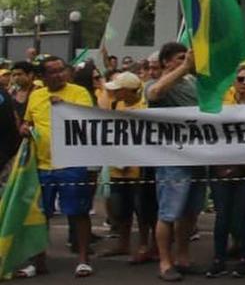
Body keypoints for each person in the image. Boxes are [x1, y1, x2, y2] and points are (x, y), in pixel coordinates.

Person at [17, 55, 95, 278]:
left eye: (62, 70)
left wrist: (67, 107)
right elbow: (28, 122)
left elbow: (89, 118)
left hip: (71, 163)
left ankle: (82, 259)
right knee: (41, 215)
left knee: (78, 212)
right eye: (53, 71)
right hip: (41, 165)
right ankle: (38, 261)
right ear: (42, 76)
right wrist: (24, 128)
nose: (60, 74)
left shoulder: (78, 92)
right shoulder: (36, 95)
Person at [147, 42, 206, 282]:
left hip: (199, 155)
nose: (186, 61)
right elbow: (154, 94)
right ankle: (164, 261)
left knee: (191, 211)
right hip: (172, 158)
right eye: (180, 58)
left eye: (187, 57)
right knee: (169, 212)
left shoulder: (192, 83)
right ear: (166, 62)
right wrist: (184, 68)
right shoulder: (156, 84)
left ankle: (183, 257)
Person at [205, 64, 245, 278]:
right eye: (241, 79)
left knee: (243, 215)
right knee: (222, 216)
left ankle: (244, 259)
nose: (244, 84)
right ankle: (218, 259)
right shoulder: (221, 106)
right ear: (234, 81)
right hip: (221, 170)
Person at [103, 72, 157, 265]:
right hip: (117, 166)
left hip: (138, 168)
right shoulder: (114, 105)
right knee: (120, 209)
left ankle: (145, 245)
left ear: (126, 90)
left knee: (142, 210)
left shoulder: (144, 106)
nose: (113, 92)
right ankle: (123, 243)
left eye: (117, 89)